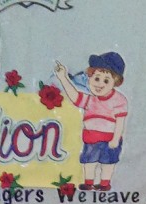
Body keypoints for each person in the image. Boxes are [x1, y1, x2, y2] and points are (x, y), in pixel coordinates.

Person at [54, 52, 127, 191]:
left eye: (106, 81)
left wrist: (116, 139)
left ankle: (104, 183)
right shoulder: (90, 100)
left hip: (109, 140)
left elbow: (120, 121)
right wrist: (63, 77)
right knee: (89, 161)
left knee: (108, 163)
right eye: (96, 78)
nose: (99, 84)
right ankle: (88, 183)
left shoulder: (119, 100)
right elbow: (74, 96)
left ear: (115, 81)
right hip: (91, 138)